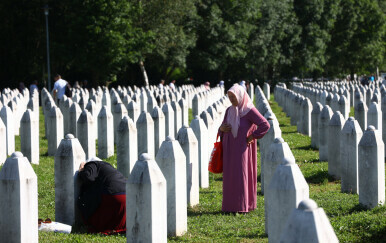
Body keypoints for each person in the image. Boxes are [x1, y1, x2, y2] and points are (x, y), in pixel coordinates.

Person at [219, 84, 270, 213]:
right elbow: (223, 126)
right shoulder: (229, 110)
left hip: (242, 149)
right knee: (230, 176)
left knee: (241, 175)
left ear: (241, 96)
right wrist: (221, 129)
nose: (231, 99)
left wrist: (252, 136)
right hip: (229, 149)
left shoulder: (249, 110)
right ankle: (230, 206)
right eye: (229, 96)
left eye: (233, 96)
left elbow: (265, 125)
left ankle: (242, 206)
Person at [77, 157, 126, 234]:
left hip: (112, 196)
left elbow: (88, 177)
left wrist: (81, 171)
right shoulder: (109, 168)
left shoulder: (93, 164)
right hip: (127, 197)